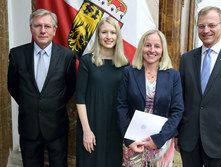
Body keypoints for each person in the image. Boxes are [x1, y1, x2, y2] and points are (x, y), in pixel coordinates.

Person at [176, 6, 221, 167]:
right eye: (201, 26)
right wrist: (177, 135)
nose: (206, 30)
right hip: (189, 142)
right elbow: (181, 100)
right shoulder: (187, 59)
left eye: (211, 25)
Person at [7, 9, 76, 167]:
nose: (43, 30)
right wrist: (30, 103)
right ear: (31, 28)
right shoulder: (17, 55)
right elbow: (13, 87)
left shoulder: (67, 56)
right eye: (38, 26)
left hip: (57, 125)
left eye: (47, 26)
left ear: (54, 29)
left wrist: (52, 103)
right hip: (28, 125)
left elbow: (70, 87)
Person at [117, 29, 184, 167]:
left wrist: (158, 139)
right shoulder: (128, 73)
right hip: (134, 143)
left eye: (157, 46)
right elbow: (121, 106)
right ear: (142, 47)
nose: (152, 50)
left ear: (162, 50)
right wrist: (129, 139)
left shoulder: (173, 76)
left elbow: (177, 111)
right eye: (148, 45)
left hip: (162, 143)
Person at [76, 17, 129, 167]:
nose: (108, 36)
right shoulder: (87, 61)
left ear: (118, 36)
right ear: (98, 35)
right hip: (91, 124)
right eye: (104, 32)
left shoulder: (125, 64)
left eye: (113, 32)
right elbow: (80, 99)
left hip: (115, 126)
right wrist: (87, 131)